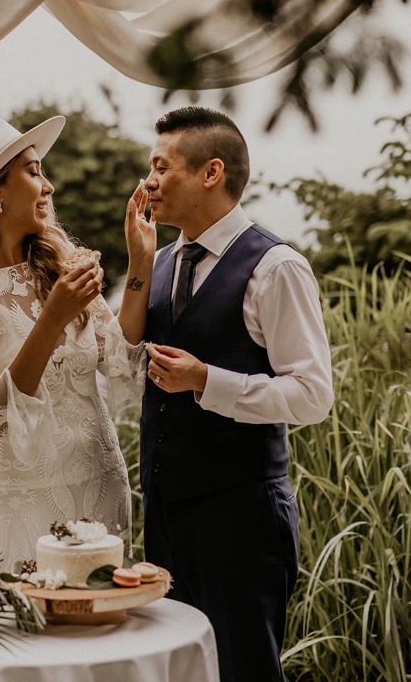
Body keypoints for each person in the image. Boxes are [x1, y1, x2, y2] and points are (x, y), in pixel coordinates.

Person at [139, 107, 333, 682]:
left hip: (241, 515)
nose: (148, 181)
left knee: (243, 670)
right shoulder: (160, 262)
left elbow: (312, 394)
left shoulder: (275, 268)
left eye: (161, 166)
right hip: (165, 512)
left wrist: (207, 382)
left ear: (210, 172)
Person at [0, 114, 157, 570]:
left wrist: (140, 264)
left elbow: (121, 361)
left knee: (102, 620)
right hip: (19, 495)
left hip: (98, 478)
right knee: (32, 629)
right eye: (33, 172)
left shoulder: (62, 262)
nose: (48, 185)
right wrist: (52, 319)